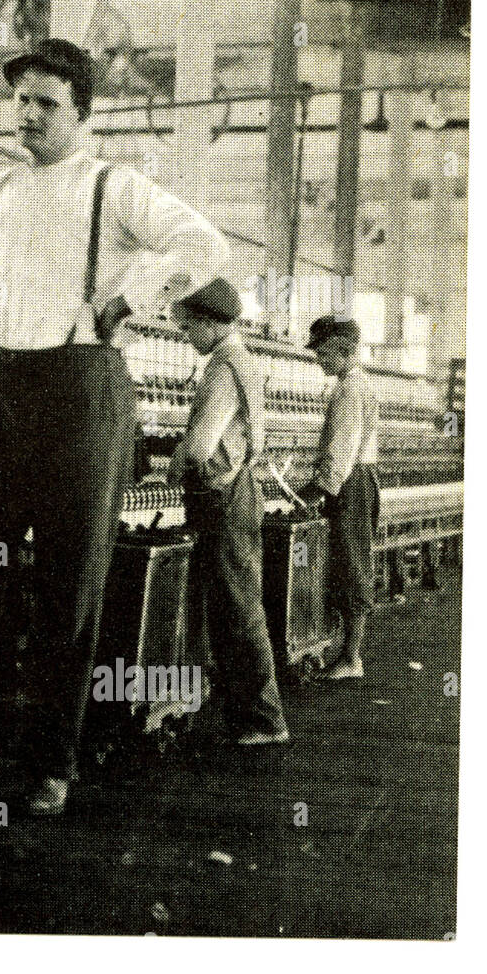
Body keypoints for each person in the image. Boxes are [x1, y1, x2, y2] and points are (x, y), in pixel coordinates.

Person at [0, 38, 231, 815]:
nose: (26, 114)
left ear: (83, 113)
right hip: (1, 393)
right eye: (20, 99)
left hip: (82, 394)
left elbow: (205, 245)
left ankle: (51, 763)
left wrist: (132, 297)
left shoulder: (113, 187)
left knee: (70, 585)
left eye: (45, 103)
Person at [169, 277, 290, 745]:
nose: (184, 334)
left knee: (239, 606)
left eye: (187, 325)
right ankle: (248, 713)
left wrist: (168, 470)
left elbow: (201, 447)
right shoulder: (243, 359)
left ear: (207, 323)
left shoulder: (223, 366)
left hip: (223, 497)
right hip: (237, 490)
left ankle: (265, 719)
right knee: (235, 603)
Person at [298, 315, 380, 680]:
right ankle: (342, 650)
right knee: (347, 561)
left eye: (324, 354)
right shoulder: (357, 382)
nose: (319, 360)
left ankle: (350, 658)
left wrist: (315, 490)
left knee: (350, 563)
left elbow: (341, 452)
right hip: (355, 480)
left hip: (349, 483)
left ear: (344, 352)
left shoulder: (348, 389)